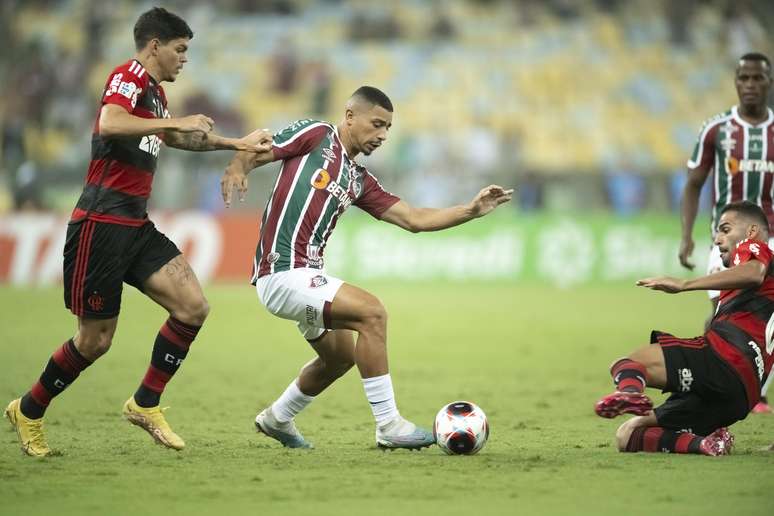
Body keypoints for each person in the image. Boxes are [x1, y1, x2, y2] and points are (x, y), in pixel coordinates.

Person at [4, 7, 270, 457]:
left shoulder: (157, 97)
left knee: (192, 306)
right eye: (180, 50)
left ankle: (145, 403)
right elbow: (110, 122)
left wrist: (236, 143)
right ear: (154, 47)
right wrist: (173, 122)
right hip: (101, 222)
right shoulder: (128, 75)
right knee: (95, 341)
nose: (184, 59)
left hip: (134, 223)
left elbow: (179, 139)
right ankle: (29, 409)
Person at [220, 86, 513, 449]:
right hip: (281, 272)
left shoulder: (358, 179)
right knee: (372, 314)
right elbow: (259, 149)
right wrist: (237, 165)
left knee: (339, 359)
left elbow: (414, 218)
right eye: (376, 124)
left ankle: (277, 418)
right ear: (349, 116)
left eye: (388, 128)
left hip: (306, 275)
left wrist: (470, 210)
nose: (383, 136)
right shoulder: (316, 135)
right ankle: (389, 425)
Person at [597, 201, 774, 456]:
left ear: (751, 231)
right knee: (628, 435)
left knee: (631, 363)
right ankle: (704, 444)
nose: (718, 239)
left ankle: (630, 392)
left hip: (727, 360)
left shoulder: (755, 248)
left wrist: (684, 284)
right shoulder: (753, 293)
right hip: (742, 396)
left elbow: (754, 271)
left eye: (725, 229)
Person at [679, 52, 774, 413]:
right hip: (726, 241)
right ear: (736, 82)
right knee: (722, 311)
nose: (750, 85)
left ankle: (757, 392)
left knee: (769, 317)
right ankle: (714, 383)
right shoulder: (717, 130)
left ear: (768, 83)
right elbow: (693, 184)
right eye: (744, 78)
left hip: (770, 238)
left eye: (758, 79)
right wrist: (686, 236)